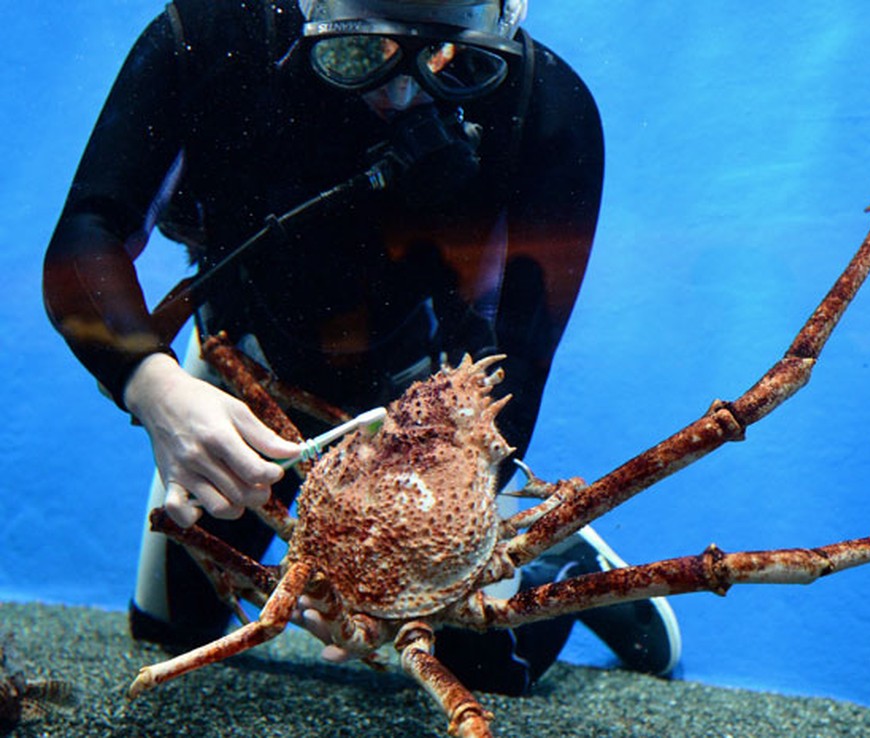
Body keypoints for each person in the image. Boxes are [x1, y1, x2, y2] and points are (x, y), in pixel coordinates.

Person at [43, 0, 680, 695]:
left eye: (449, 62)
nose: (400, 94)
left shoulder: (545, 105)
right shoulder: (213, 40)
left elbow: (521, 353)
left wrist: (435, 529)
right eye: (358, 54)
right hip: (245, 380)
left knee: (478, 664)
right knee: (174, 630)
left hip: (419, 422)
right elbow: (88, 230)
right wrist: (155, 390)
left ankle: (553, 561)